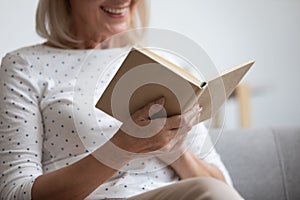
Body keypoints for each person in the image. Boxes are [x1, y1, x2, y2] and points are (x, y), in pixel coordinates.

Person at [0, 0, 244, 199]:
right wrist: (122, 147)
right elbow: (15, 193)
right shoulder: (24, 66)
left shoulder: (161, 65)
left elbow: (225, 188)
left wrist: (176, 152)